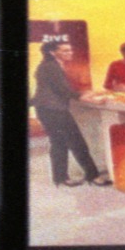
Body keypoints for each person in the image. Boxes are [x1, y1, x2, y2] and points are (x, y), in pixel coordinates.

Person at [31, 40, 112, 187]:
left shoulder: (48, 65)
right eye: (65, 51)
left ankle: (60, 179)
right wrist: (87, 98)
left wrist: (82, 94)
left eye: (70, 50)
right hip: (54, 110)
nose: (70, 53)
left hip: (45, 109)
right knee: (77, 143)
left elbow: (55, 88)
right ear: (53, 52)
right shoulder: (51, 67)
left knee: (58, 143)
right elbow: (62, 90)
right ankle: (93, 177)